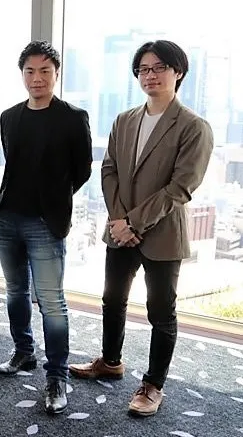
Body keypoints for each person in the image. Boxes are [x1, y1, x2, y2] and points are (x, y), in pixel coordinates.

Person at [69, 40, 214, 417]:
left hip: (162, 234)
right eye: (144, 69)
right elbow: (109, 170)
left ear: (178, 72)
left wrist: (133, 222)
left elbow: (181, 187)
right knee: (112, 299)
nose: (150, 75)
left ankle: (153, 385)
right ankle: (110, 361)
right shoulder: (124, 120)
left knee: (160, 311)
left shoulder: (194, 127)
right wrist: (120, 221)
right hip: (120, 229)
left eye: (159, 67)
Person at [0, 41, 93, 414]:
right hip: (8, 219)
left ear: (56, 74)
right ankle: (23, 353)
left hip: (45, 223)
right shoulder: (9, 117)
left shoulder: (73, 118)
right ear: (22, 75)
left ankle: (57, 377)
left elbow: (82, 170)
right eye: (30, 71)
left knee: (51, 302)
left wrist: (54, 200)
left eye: (45, 71)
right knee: (15, 292)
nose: (37, 78)